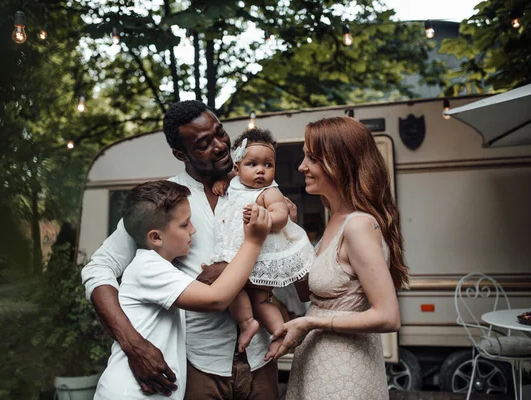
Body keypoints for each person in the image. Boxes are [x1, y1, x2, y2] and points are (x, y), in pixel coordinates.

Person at [81, 100, 280, 399]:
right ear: (180, 154)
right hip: (198, 365)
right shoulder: (166, 203)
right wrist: (133, 343)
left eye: (220, 133)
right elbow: (98, 269)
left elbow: (290, 255)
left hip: (261, 357)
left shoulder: (259, 188)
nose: (220, 146)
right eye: (203, 144)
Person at [269, 117, 410, 400]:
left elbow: (388, 317)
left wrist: (310, 324)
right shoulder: (336, 219)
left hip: (345, 371)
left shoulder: (358, 225)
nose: (302, 167)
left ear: (339, 163)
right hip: (320, 365)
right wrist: (291, 234)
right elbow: (306, 293)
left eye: (312, 158)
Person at [94, 180, 271, 399]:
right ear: (156, 237)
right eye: (185, 224)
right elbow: (217, 299)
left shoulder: (159, 267)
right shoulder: (148, 267)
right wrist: (254, 241)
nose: (193, 230)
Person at [208, 128, 314, 358]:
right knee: (231, 287)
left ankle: (279, 333)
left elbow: (281, 215)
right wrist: (220, 182)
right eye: (252, 164)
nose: (261, 171)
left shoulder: (269, 191)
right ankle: (248, 323)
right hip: (237, 254)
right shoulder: (233, 183)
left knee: (261, 299)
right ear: (236, 167)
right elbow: (227, 184)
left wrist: (265, 219)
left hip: (261, 256)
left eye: (268, 165)